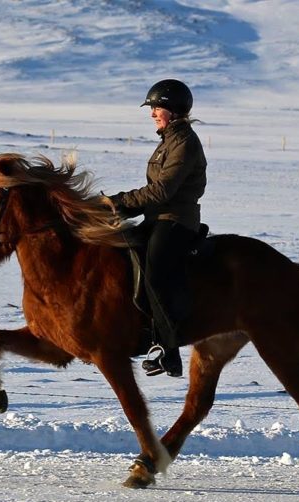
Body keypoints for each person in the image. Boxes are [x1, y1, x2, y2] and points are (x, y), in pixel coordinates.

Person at [108, 79, 207, 377]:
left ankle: (168, 348)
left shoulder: (185, 143)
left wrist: (119, 202)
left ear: (173, 111)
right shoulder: (169, 140)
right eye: (152, 109)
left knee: (155, 270)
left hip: (176, 221)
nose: (152, 114)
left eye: (156, 108)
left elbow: (162, 191)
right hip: (156, 218)